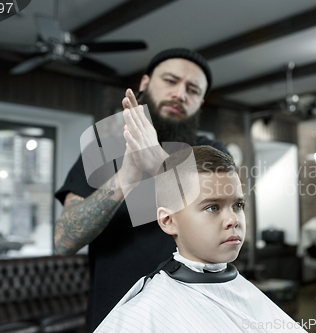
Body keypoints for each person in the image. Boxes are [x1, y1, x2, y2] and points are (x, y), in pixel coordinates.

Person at [54, 48, 229, 331]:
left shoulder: (212, 154)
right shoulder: (102, 149)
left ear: (201, 102)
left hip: (194, 319)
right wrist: (127, 176)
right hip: (114, 320)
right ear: (145, 83)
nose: (180, 94)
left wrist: (157, 161)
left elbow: (226, 227)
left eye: (192, 89)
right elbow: (64, 241)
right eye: (170, 81)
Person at [94, 146, 306, 333]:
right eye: (212, 207)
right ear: (168, 221)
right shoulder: (142, 313)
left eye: (238, 206)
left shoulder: (246, 292)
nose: (233, 219)